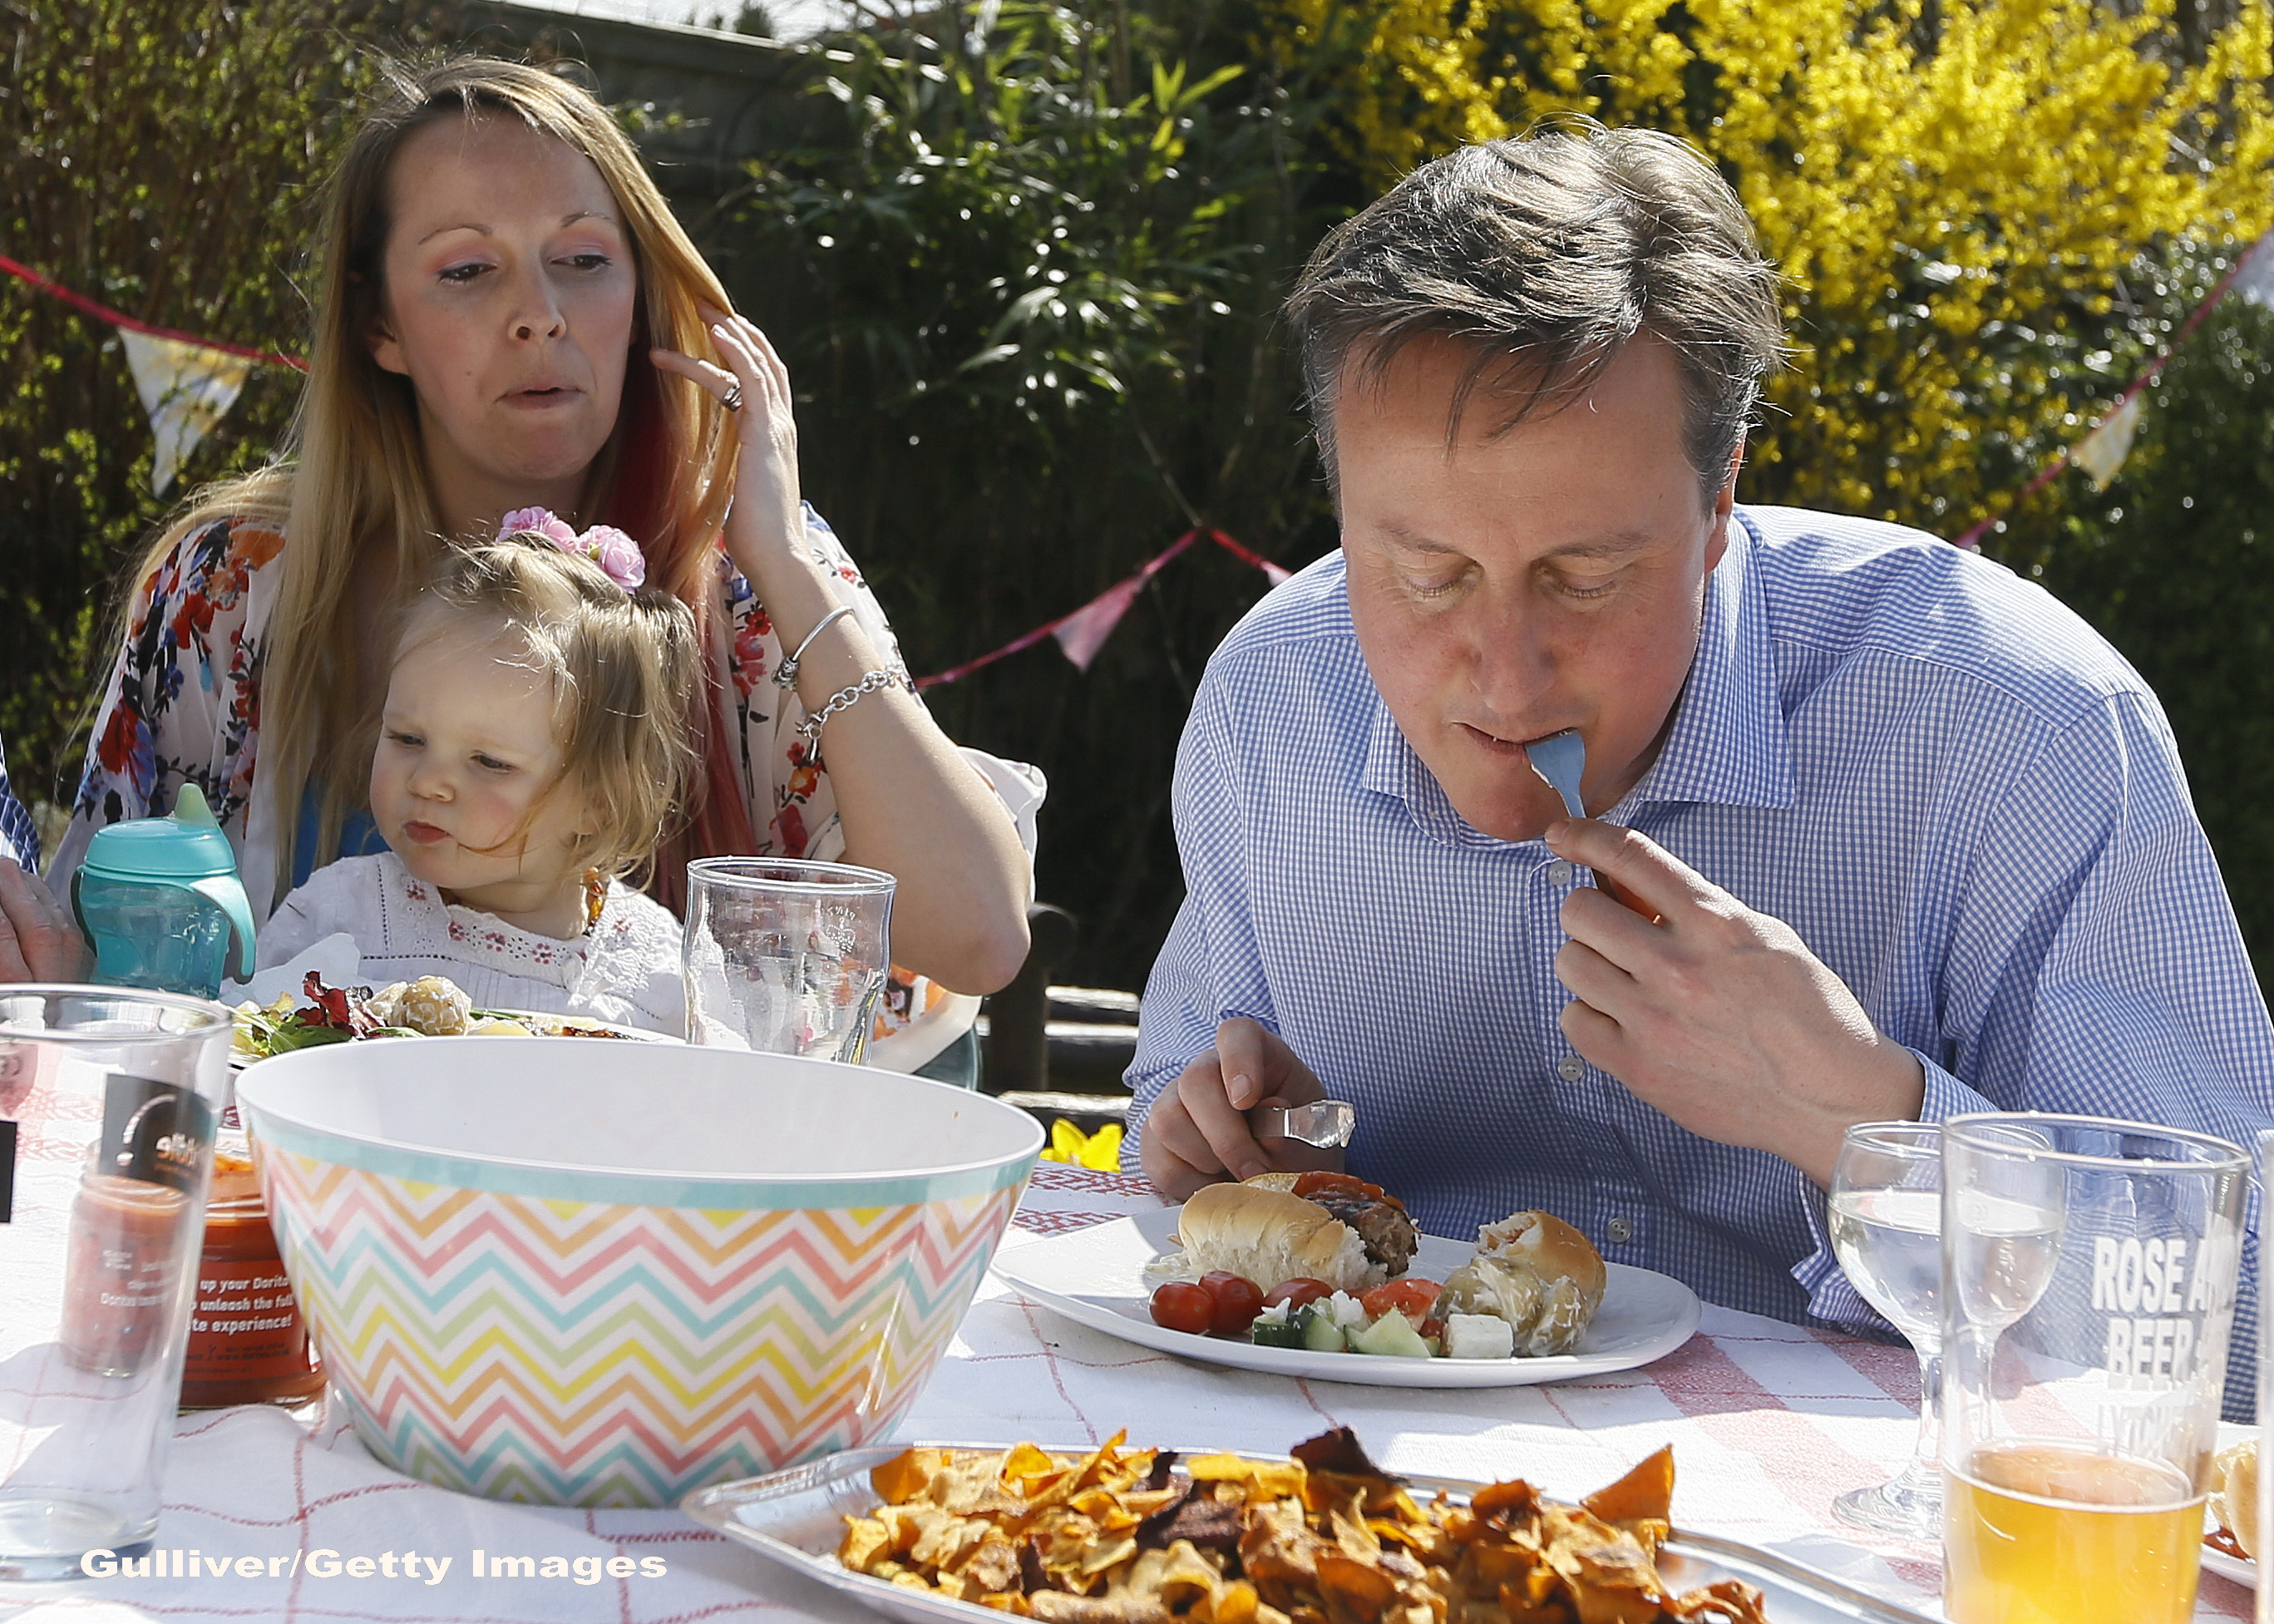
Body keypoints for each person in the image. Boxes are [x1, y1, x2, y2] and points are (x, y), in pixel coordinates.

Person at [1125, 123, 2274, 1410]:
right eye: (1424, 574)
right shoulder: (1270, 706)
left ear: (1719, 494)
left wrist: (1859, 1124)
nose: (1504, 678)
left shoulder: (2013, 728)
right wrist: (1235, 1145)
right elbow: (1167, 1143)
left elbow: (2227, 1331)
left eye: (1585, 577)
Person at [21, 55, 1033, 1077]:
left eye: (584, 260)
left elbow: (977, 934)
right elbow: (108, 961)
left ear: (640, 292)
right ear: (381, 326)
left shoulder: (746, 578)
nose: (539, 314)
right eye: (467, 270)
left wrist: (784, 554)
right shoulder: (237, 583)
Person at [254, 531, 697, 1033]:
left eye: (488, 762)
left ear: (600, 800)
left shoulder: (657, 978)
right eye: (407, 738)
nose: (428, 783)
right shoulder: (337, 920)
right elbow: (254, 1059)